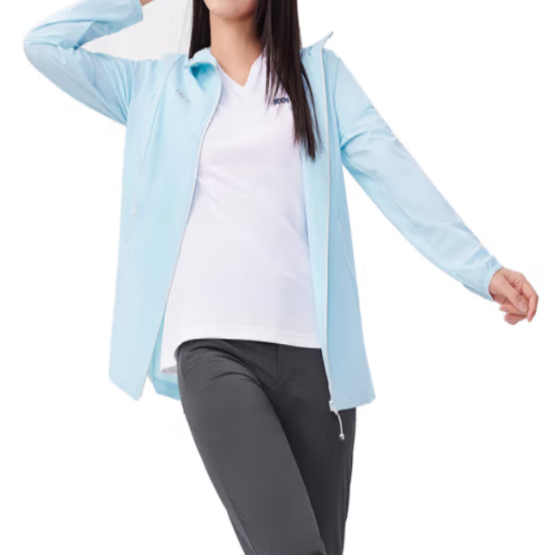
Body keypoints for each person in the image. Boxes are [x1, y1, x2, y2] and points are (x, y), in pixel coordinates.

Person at [23, 0, 539, 553]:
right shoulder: (156, 89)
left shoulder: (320, 80)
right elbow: (45, 45)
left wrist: (482, 270)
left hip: (319, 366)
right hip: (213, 352)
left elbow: (396, 175)